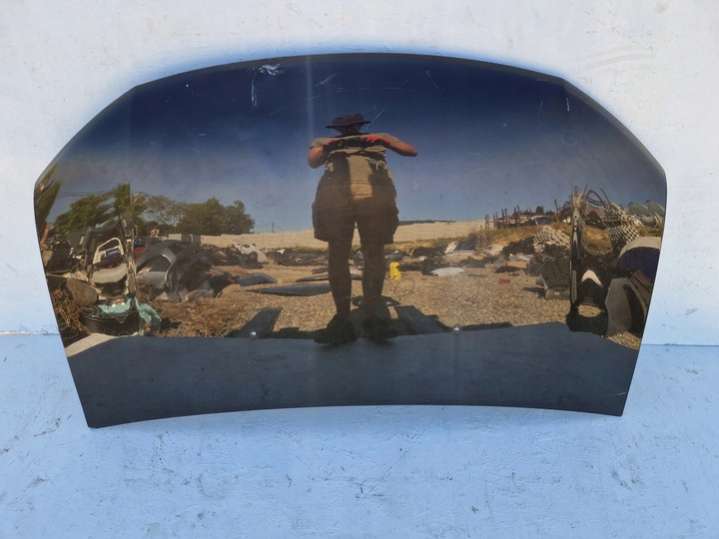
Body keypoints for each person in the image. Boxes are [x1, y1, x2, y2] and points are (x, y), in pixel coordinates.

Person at [307, 113, 418, 344]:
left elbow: (410, 151)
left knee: (374, 255)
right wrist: (328, 146)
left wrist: (384, 141)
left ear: (359, 125)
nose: (348, 130)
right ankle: (342, 319)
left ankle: (373, 316)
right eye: (343, 127)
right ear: (336, 129)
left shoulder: (379, 137)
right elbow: (313, 161)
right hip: (334, 200)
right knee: (337, 256)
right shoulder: (323, 141)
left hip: (375, 198)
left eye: (352, 126)